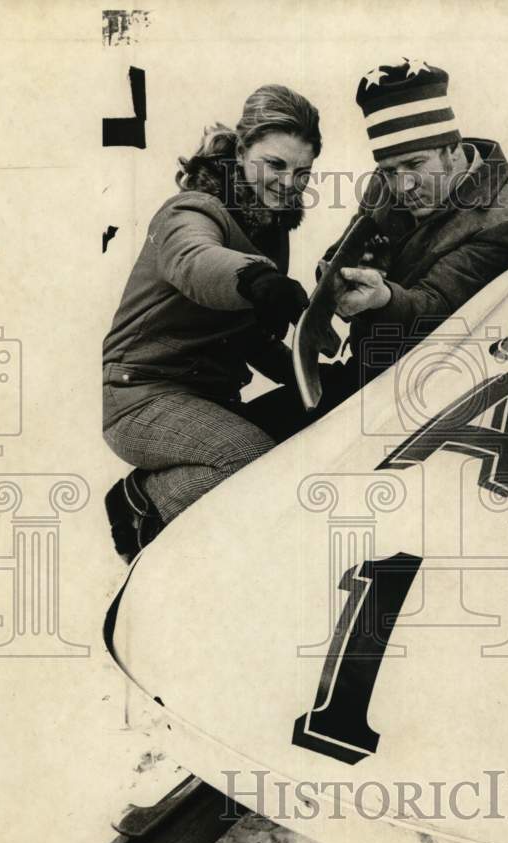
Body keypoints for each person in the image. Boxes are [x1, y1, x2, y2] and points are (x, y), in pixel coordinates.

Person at [244, 58, 508, 441]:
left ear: (452, 150)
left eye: (415, 163)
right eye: (388, 169)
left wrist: (381, 299)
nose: (402, 186)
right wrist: (336, 276)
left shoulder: (505, 222)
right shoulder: (389, 181)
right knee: (241, 428)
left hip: (435, 397)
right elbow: (349, 247)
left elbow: (440, 312)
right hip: (367, 373)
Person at [102, 84, 320, 561]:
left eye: (302, 173)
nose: (289, 183)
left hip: (208, 400)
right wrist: (257, 280)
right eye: (275, 165)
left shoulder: (271, 225)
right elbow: (195, 261)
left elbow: (246, 334)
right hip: (141, 395)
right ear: (242, 152)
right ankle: (143, 503)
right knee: (251, 461)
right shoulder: (192, 210)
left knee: (305, 436)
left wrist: (304, 371)